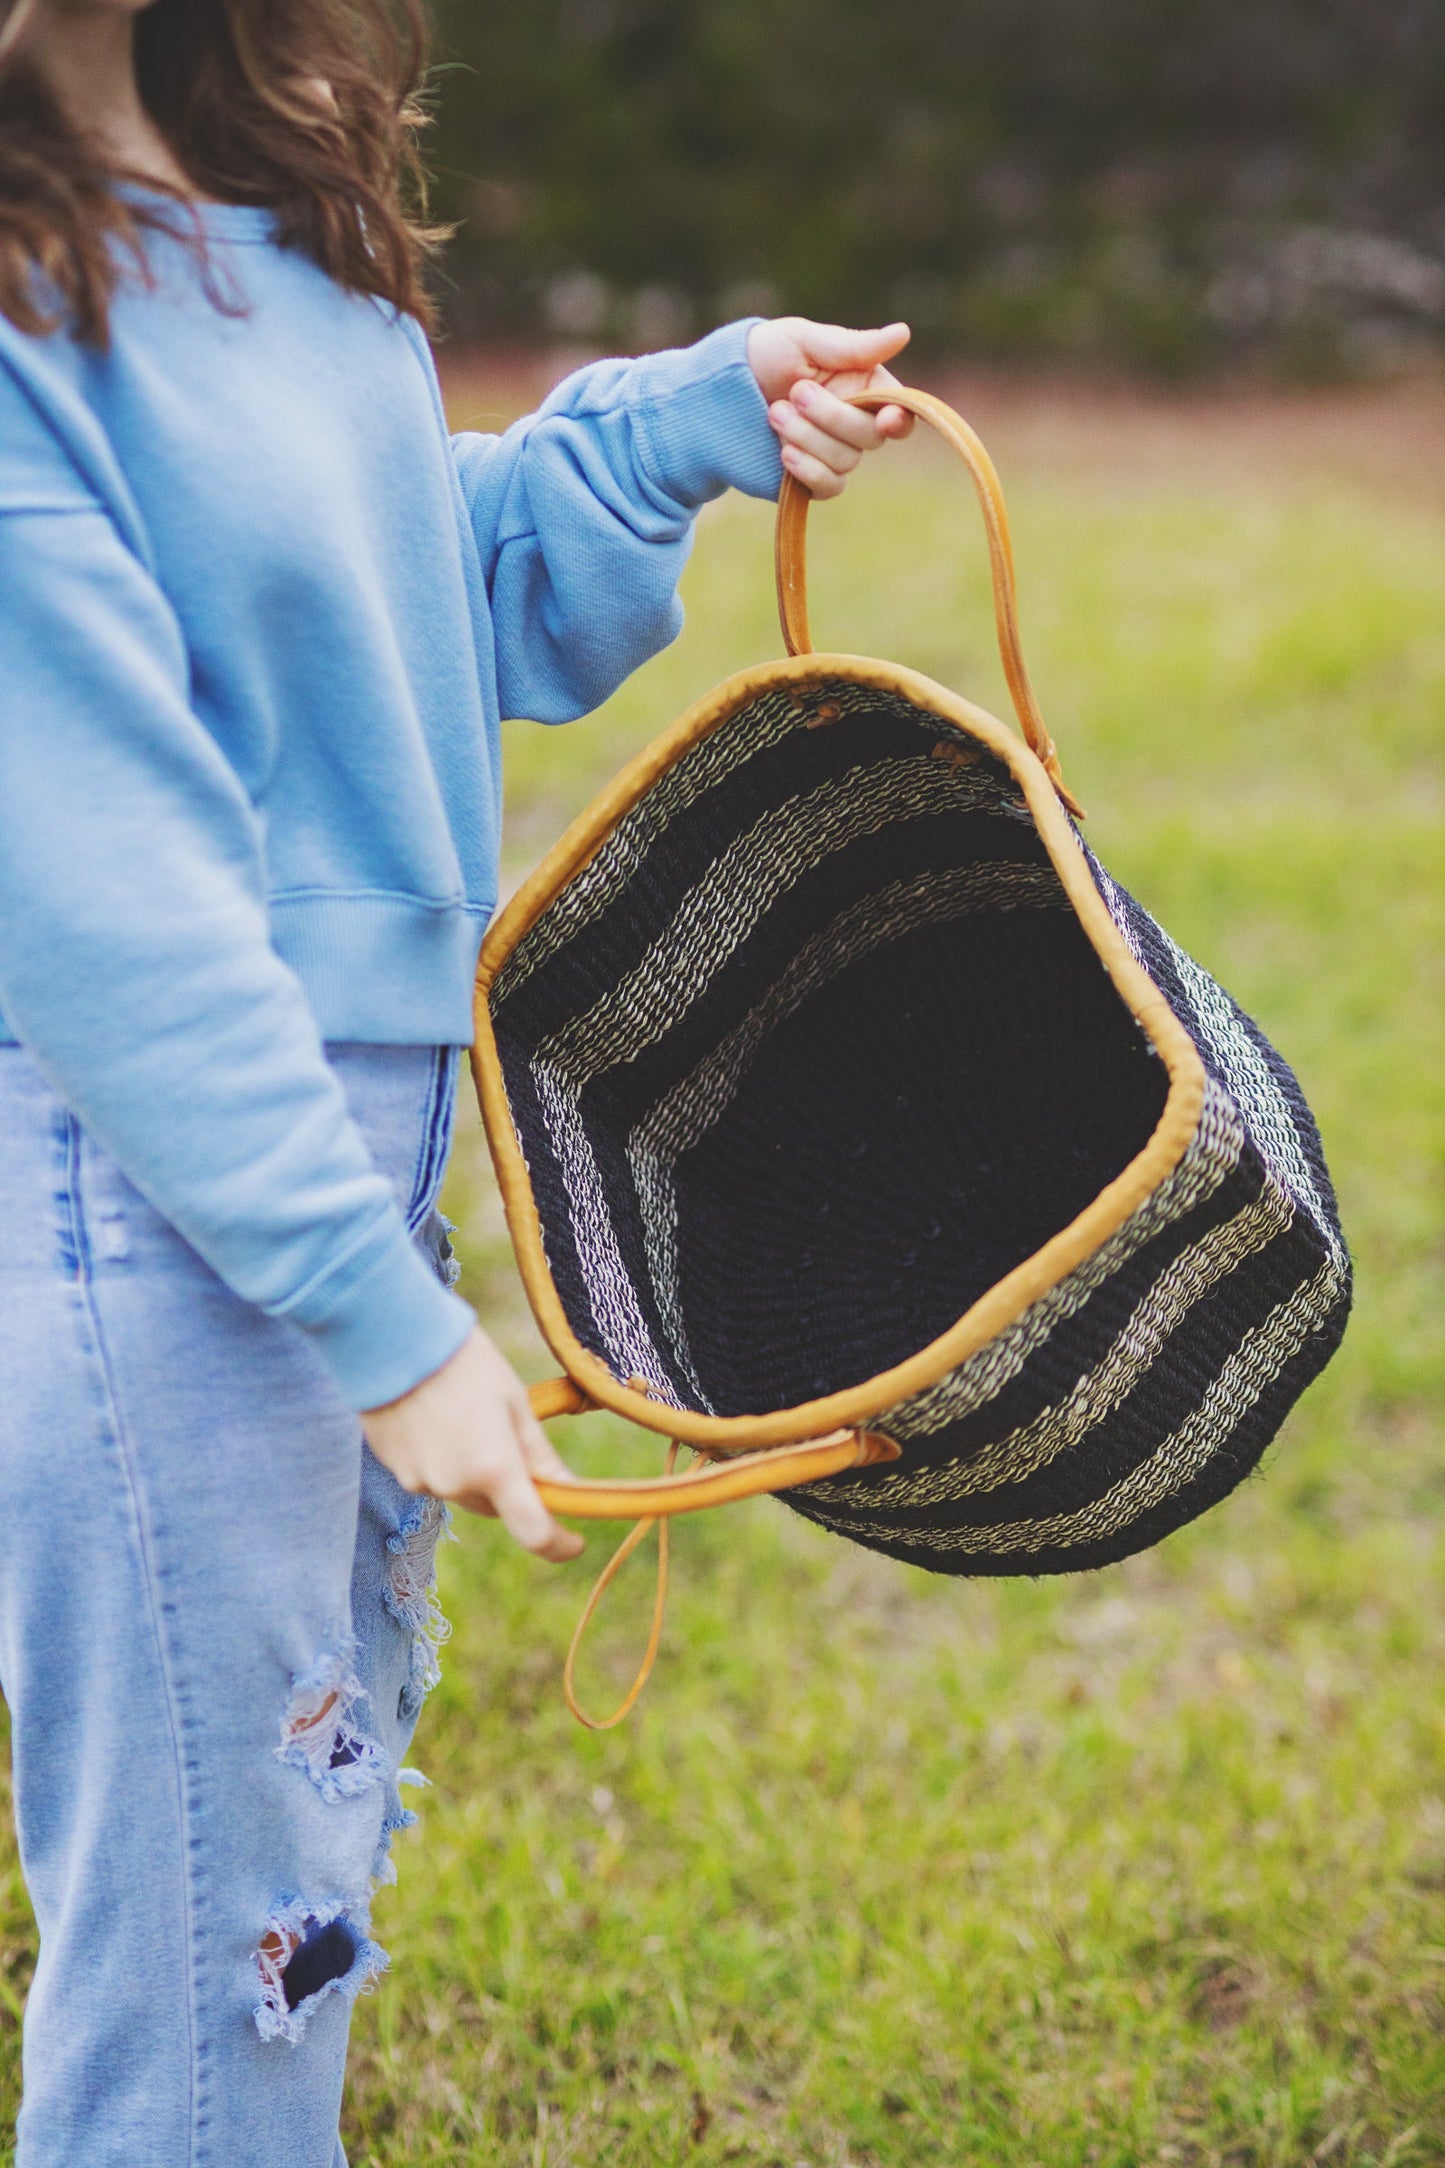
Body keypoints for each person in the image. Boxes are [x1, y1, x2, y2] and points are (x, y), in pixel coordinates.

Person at [0, 0, 914, 2158]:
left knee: (276, 1878)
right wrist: (371, 1311)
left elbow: (387, 589)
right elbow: (101, 896)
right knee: (207, 1959)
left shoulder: (256, 206)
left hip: (301, 1171)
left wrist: (664, 431)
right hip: (152, 1186)